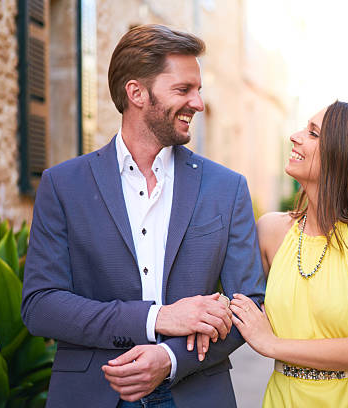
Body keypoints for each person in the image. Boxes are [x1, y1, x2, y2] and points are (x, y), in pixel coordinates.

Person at [21, 24, 265, 408]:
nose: (198, 103)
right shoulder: (62, 185)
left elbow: (249, 304)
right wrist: (156, 319)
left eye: (198, 90)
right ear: (136, 93)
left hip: (195, 390)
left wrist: (169, 359)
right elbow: (40, 306)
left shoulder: (227, 187)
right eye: (184, 90)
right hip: (93, 393)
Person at [228, 101, 348, 407]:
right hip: (284, 398)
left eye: (313, 133)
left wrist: (273, 344)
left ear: (343, 155)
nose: (295, 136)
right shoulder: (270, 231)